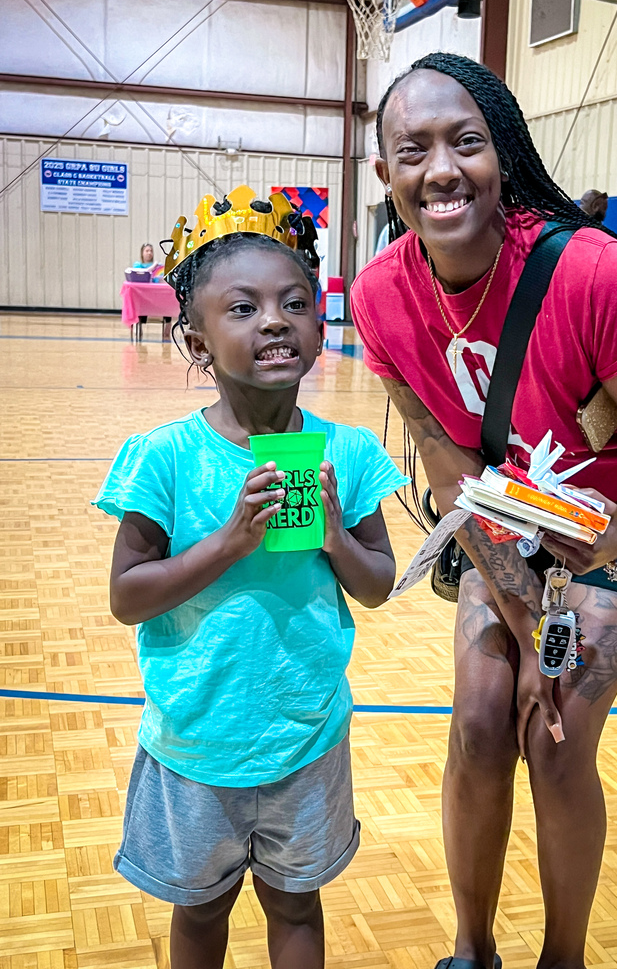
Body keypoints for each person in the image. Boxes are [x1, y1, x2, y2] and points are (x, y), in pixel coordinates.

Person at [350, 52, 617, 969]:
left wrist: (616, 531)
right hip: (504, 508)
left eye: (465, 142)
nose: (440, 169)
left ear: (501, 154)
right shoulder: (381, 295)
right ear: (386, 175)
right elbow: (445, 456)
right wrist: (516, 600)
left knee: (553, 739)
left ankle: (565, 959)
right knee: (479, 724)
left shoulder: (595, 274)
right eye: (412, 151)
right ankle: (471, 950)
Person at [95, 189, 408, 969]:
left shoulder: (349, 450)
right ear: (195, 340)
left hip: (306, 735)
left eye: (295, 303)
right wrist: (230, 543)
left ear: (319, 324)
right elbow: (127, 596)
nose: (274, 320)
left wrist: (336, 535)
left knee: (297, 905)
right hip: (195, 742)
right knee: (200, 911)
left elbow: (375, 585)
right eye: (242, 308)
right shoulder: (162, 456)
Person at [132, 242, 172, 341]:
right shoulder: (137, 265)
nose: (149, 253)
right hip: (143, 297)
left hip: (157, 296)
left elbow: (163, 279)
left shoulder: (159, 266)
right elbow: (142, 274)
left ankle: (167, 326)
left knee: (167, 301)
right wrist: (153, 267)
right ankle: (138, 324)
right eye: (147, 251)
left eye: (151, 251)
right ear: (142, 253)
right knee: (137, 301)